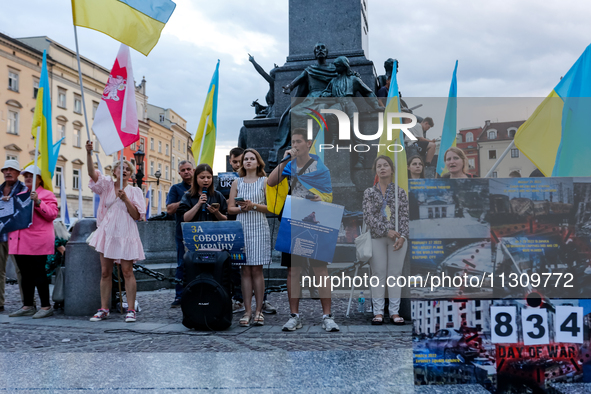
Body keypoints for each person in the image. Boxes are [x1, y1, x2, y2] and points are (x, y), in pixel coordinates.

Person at [267, 128, 339, 332]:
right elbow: (272, 181)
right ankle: (294, 315)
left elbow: (329, 194)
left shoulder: (320, 167)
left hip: (317, 218)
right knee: (293, 270)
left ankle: (327, 315)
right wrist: (284, 160)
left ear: (308, 144)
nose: (296, 145)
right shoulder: (289, 164)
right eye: (293, 142)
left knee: (320, 269)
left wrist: (320, 198)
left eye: (299, 141)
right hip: (293, 217)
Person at [85, 141, 146, 323]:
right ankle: (104, 308)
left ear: (131, 173)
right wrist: (89, 153)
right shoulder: (106, 186)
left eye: (128, 168)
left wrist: (126, 199)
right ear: (115, 172)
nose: (124, 170)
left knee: (127, 271)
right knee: (105, 272)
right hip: (107, 232)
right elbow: (91, 173)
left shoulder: (135, 191)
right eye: (121, 168)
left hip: (126, 232)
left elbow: (136, 215)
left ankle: (131, 309)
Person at [362, 155, 409, 325]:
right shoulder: (369, 192)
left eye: (385, 165)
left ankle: (394, 312)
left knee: (395, 275)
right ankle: (378, 312)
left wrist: (403, 236)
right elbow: (368, 217)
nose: (382, 168)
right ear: (376, 170)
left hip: (398, 238)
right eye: (379, 166)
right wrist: (385, 231)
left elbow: (404, 216)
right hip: (377, 237)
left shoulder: (400, 192)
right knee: (378, 274)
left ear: (391, 169)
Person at [8, 165, 58, 319]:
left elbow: (52, 215)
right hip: (19, 240)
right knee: (24, 275)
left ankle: (45, 306)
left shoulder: (47, 194)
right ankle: (28, 305)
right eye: (26, 176)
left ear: (40, 178)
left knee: (39, 273)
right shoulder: (19, 194)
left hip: (37, 241)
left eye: (32, 176)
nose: (28, 178)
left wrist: (38, 202)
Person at [228, 149, 271, 327]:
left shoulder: (265, 181)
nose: (248, 161)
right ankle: (247, 311)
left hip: (259, 226)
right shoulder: (237, 182)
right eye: (246, 159)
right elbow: (230, 208)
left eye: (252, 159)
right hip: (242, 226)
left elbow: (271, 208)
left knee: (257, 270)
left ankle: (259, 310)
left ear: (258, 162)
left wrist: (253, 206)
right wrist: (241, 209)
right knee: (244, 270)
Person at [165, 160, 194, 308]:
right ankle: (179, 295)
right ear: (179, 173)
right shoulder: (176, 189)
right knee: (182, 264)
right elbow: (170, 209)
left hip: (202, 230)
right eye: (183, 170)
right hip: (182, 232)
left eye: (189, 169)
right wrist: (186, 196)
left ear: (194, 170)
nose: (187, 172)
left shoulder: (202, 186)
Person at [0, 159, 27, 312]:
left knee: (21, 270)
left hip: (17, 235)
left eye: (11, 169)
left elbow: (26, 209)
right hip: (1, 234)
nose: (8, 172)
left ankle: (27, 302)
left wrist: (11, 202)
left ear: (18, 173)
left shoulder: (24, 189)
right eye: (5, 170)